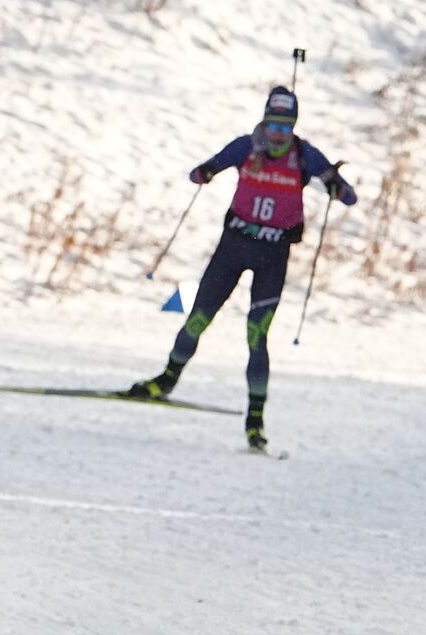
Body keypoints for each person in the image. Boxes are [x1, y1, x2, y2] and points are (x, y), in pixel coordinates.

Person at [128, 86, 357, 450]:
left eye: (285, 127)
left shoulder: (304, 155)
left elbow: (349, 197)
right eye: (273, 125)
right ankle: (165, 380)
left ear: (294, 127)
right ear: (264, 121)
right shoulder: (245, 146)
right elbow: (200, 171)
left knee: (256, 336)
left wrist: (333, 185)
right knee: (198, 318)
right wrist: (205, 172)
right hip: (233, 248)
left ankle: (255, 421)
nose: (278, 134)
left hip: (273, 257)